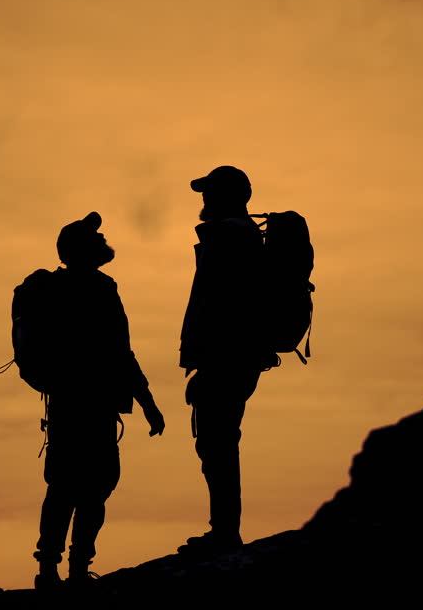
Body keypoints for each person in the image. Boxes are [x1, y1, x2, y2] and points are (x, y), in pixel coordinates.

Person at [30, 212, 166, 589]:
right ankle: (72, 569)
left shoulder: (59, 289)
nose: (104, 238)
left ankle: (51, 569)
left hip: (67, 404)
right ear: (83, 249)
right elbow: (121, 352)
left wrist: (146, 402)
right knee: (90, 488)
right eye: (96, 236)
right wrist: (148, 403)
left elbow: (120, 352)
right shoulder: (100, 289)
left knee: (67, 487)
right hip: (92, 405)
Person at [178, 166, 276, 555]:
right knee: (218, 442)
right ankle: (223, 530)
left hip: (227, 355)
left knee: (217, 443)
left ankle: (224, 533)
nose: (204, 199)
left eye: (211, 192)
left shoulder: (229, 236)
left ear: (229, 196)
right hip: (235, 354)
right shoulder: (240, 234)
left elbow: (220, 303)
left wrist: (209, 359)